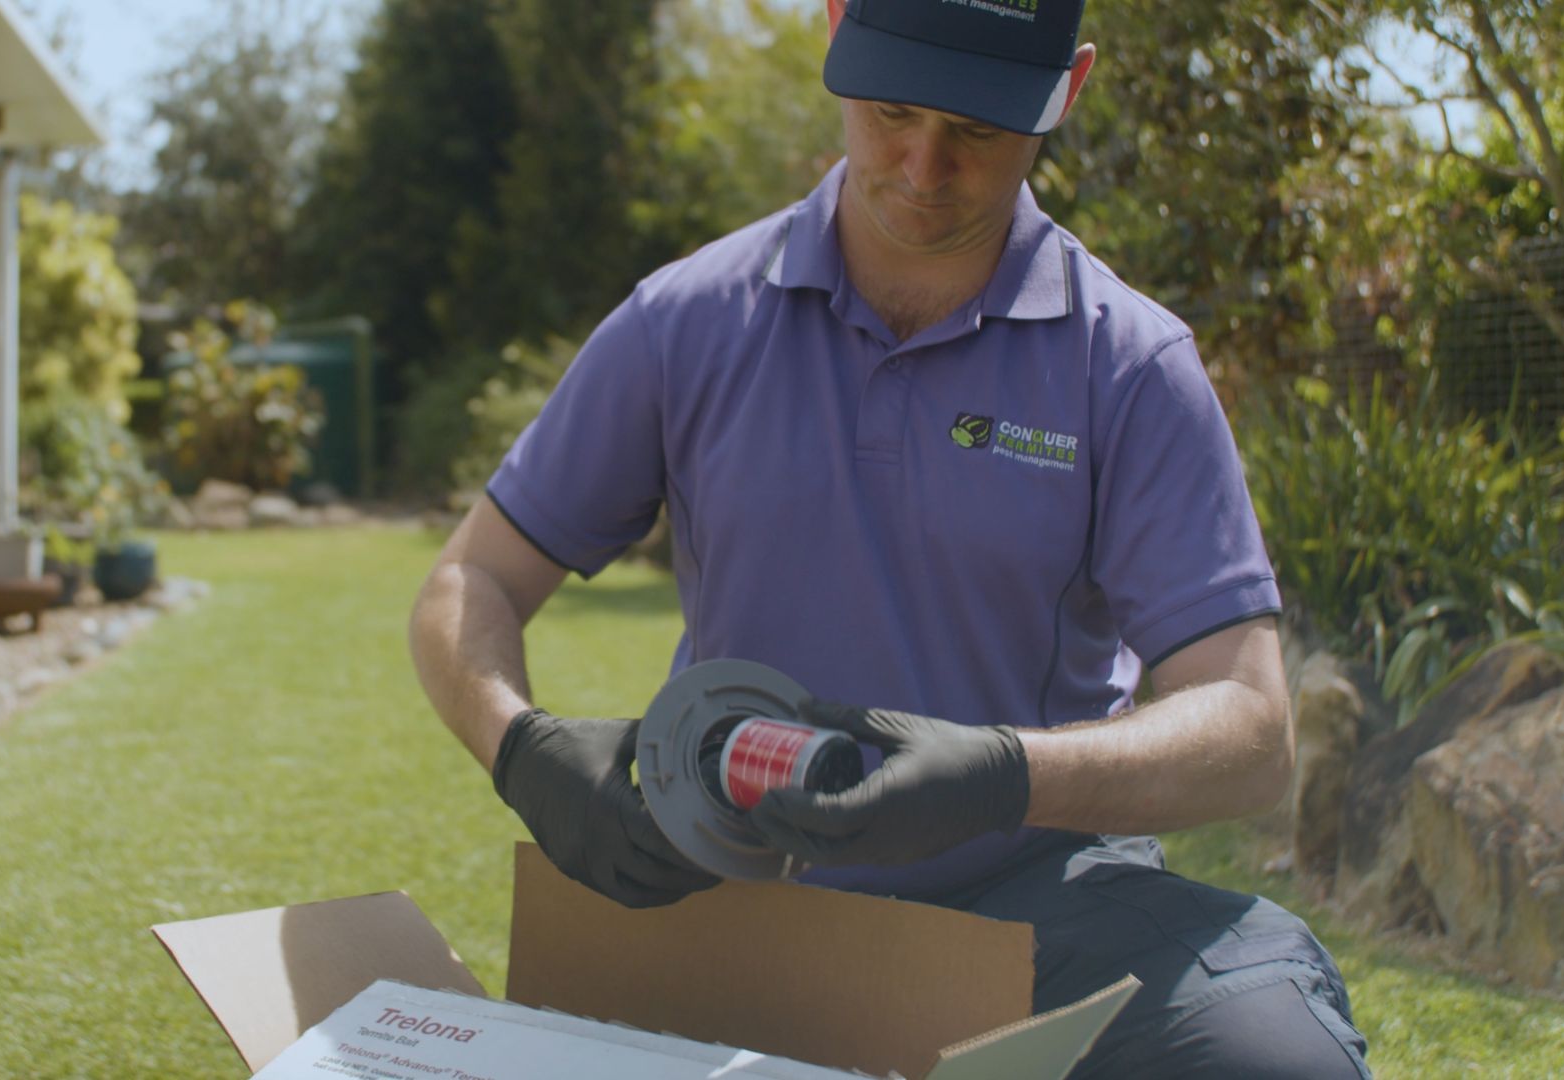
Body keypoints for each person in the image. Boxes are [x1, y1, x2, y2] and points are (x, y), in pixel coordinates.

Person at [409, 0, 1370, 1075]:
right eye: (892, 112)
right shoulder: (685, 322)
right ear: (834, 29)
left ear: (1068, 91)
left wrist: (1004, 776)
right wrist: (522, 748)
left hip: (1033, 904)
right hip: (737, 898)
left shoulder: (1129, 367)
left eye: (979, 130)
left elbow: (1251, 728)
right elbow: (471, 578)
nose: (923, 168)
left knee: (1274, 1058)